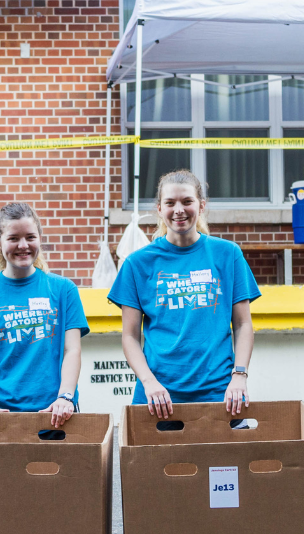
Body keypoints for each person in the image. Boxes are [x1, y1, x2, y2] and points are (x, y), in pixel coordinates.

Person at [109, 169, 261, 419]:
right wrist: (149, 382)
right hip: (157, 395)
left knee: (220, 460)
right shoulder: (138, 264)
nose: (179, 209)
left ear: (201, 206)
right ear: (159, 208)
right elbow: (129, 337)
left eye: (187, 201)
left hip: (219, 393)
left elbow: (243, 324)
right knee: (155, 460)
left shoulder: (227, 254)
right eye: (170, 203)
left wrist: (239, 375)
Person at [0, 202, 89, 428]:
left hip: (57, 414)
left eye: (30, 237)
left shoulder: (64, 289)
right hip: (2, 416)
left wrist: (65, 397)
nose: (23, 245)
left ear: (39, 239)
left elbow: (72, 350)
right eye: (14, 238)